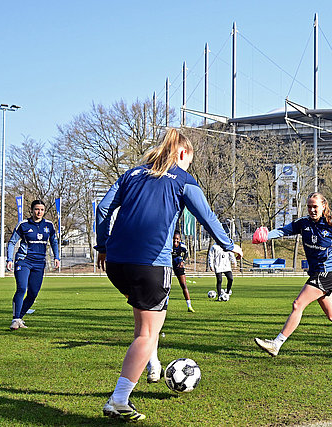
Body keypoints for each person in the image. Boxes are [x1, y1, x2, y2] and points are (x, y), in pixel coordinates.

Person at [95, 128, 240, 421]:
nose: (190, 166)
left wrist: (101, 245)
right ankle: (118, 400)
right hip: (151, 264)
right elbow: (207, 216)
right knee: (149, 332)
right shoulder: (183, 180)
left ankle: (151, 368)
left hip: (116, 264)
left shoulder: (131, 175)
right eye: (190, 160)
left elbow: (102, 209)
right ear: (183, 153)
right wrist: (229, 245)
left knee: (142, 329)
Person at [252, 192, 332, 356]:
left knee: (298, 304)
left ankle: (276, 344)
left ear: (323, 206)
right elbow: (283, 231)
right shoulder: (303, 223)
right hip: (318, 273)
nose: (312, 210)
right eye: (310, 207)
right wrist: (266, 236)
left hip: (327, 272)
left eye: (315, 207)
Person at [6, 199, 60, 330]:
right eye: (36, 209)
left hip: (39, 263)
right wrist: (9, 259)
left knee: (33, 293)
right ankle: (15, 319)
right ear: (31, 210)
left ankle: (20, 318)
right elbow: (12, 242)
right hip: (23, 261)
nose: (39, 212)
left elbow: (54, 242)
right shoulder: (23, 224)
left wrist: (57, 257)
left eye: (41, 209)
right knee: (22, 288)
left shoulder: (49, 225)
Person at [171, 231, 194, 312]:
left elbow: (186, 253)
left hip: (178, 266)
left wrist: (182, 261)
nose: (175, 241)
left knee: (183, 285)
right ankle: (163, 305)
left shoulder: (182, 246)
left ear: (180, 239)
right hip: (169, 266)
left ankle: (189, 306)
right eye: (174, 239)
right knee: (165, 286)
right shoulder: (168, 245)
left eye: (177, 239)